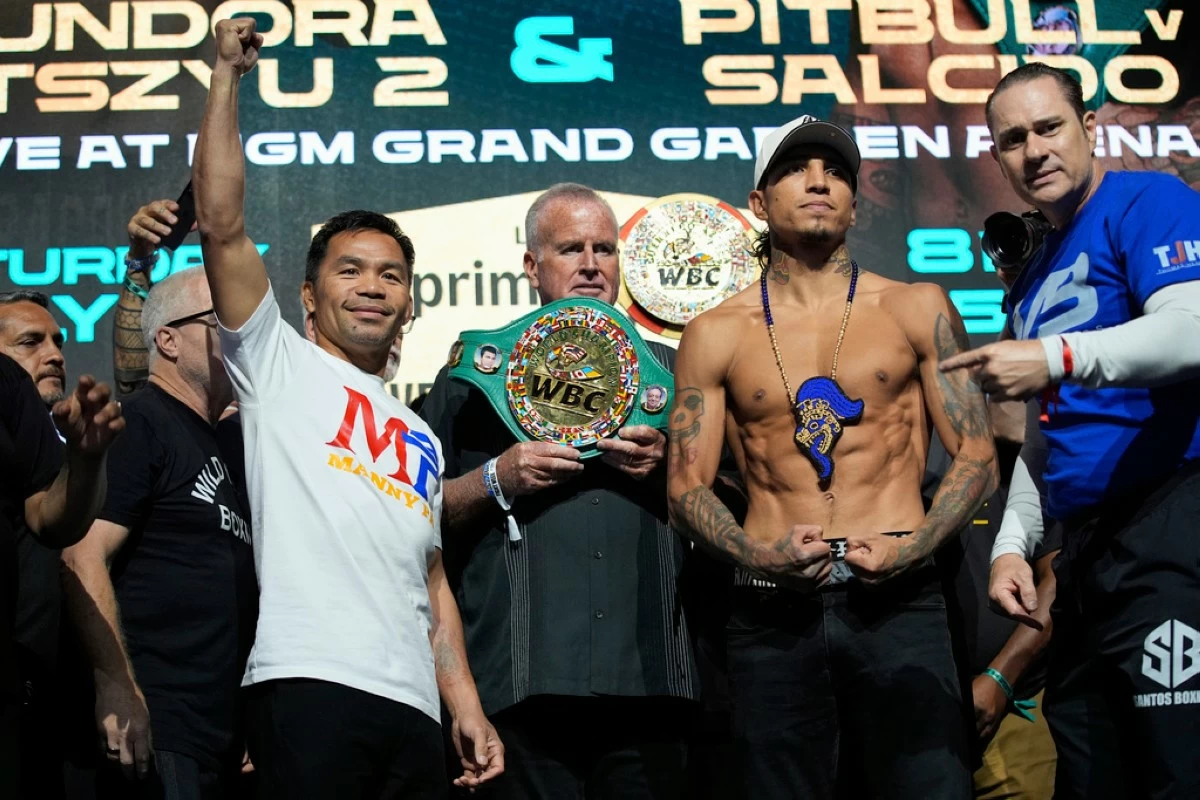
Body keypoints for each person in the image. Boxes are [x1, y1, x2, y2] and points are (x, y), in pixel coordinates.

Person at [192, 18, 501, 798]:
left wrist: (462, 701)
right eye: (351, 269)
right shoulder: (275, 363)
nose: (372, 286)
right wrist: (225, 77)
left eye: (391, 276)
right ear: (308, 294)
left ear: (409, 305)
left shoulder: (422, 434)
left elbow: (430, 582)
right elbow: (222, 225)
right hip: (306, 682)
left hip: (412, 708)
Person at [667, 115, 998, 799]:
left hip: (901, 604)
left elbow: (976, 455)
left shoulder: (916, 306)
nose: (819, 180)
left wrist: (915, 549)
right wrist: (759, 556)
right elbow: (685, 487)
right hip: (770, 612)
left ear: (856, 199)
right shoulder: (714, 332)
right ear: (758, 203)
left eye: (837, 171)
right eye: (795, 168)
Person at [941, 63, 1200, 799]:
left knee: (1176, 770)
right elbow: (1049, 435)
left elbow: (1193, 330)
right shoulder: (1033, 275)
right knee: (1091, 774)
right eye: (1013, 139)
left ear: (1089, 127)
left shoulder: (1146, 199)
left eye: (1050, 127)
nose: (1035, 150)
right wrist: (1013, 545)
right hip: (1083, 556)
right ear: (997, 158)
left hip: (1173, 523)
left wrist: (1056, 354)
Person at [418, 182, 699, 799]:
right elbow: (407, 518)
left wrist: (675, 469)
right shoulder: (473, 379)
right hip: (517, 684)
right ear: (532, 266)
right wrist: (498, 478)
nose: (592, 265)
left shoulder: (677, 373)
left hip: (651, 683)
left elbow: (743, 506)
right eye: (571, 248)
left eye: (606, 248)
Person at [58, 267, 256, 800]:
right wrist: (116, 685)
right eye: (223, 323)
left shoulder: (233, 445)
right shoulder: (141, 422)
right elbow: (81, 553)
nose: (240, 337)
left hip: (220, 738)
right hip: (153, 724)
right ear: (167, 340)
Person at [1, 352, 124, 793]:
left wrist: (85, 460)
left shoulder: (6, 384)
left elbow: (50, 521)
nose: (54, 354)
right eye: (32, 340)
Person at [0, 291, 71, 799]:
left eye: (57, 341)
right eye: (32, 342)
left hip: (72, 710)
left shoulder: (87, 439)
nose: (56, 355)